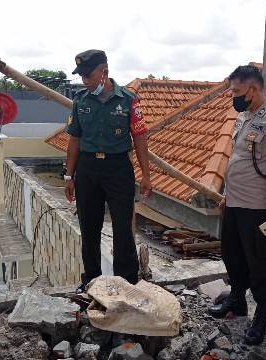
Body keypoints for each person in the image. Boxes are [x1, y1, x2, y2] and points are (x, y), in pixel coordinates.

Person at [208, 65, 266, 345]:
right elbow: (238, 160)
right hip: (235, 204)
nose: (233, 96)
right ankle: (237, 301)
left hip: (260, 208)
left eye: (236, 91)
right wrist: (226, 195)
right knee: (232, 256)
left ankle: (262, 316)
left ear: (253, 89)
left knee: (263, 264)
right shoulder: (244, 117)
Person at [64, 49, 153, 293]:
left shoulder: (128, 100)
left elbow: (140, 138)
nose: (84, 80)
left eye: (88, 75)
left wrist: (146, 175)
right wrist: (69, 176)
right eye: (81, 75)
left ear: (104, 71)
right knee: (88, 226)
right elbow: (74, 141)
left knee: (123, 227)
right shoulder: (80, 101)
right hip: (87, 168)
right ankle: (91, 279)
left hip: (118, 168)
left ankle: (127, 280)